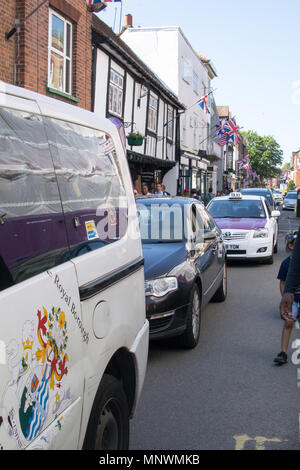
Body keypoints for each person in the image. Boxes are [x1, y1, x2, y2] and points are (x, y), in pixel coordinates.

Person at [274, 231, 300, 365]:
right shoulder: (286, 264)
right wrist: (284, 297)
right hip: (294, 299)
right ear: (291, 246)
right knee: (289, 322)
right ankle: (283, 352)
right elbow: (283, 282)